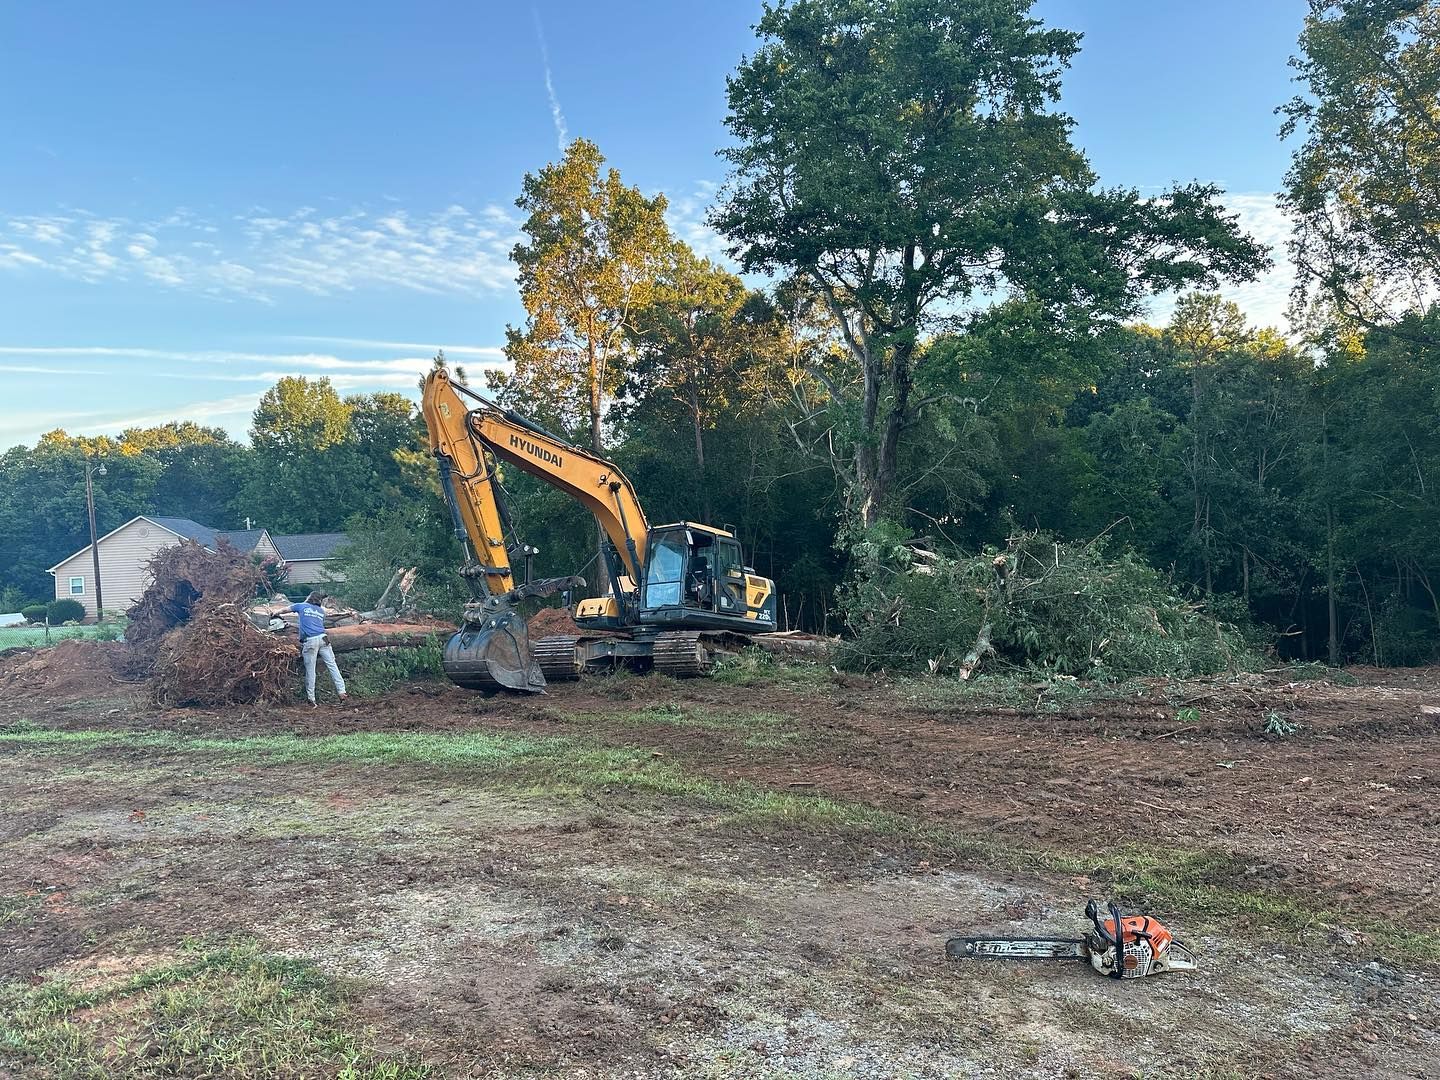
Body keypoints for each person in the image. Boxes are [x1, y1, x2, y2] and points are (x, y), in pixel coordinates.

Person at [291, 590, 347, 707]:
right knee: (332, 665)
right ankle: (342, 692)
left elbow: (284, 610)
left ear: (309, 598)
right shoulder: (321, 611)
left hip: (310, 641)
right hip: (323, 638)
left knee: (311, 670)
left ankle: (311, 699)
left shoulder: (301, 606)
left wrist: (274, 614)